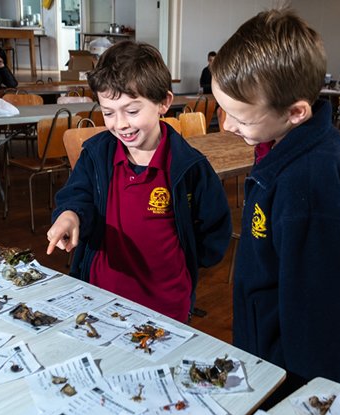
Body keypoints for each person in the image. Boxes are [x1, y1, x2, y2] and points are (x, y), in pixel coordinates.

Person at [210, 8, 340, 387]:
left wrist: (306, 393)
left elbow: (319, 307)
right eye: (223, 111)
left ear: (295, 112)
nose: (227, 126)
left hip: (291, 368)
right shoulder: (287, 141)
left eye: (241, 118)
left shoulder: (308, 184)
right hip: (267, 338)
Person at [46, 41, 232, 324]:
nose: (119, 124)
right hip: (100, 295)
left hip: (166, 305)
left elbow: (214, 227)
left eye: (132, 111)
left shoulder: (190, 166)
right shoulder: (96, 154)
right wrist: (70, 216)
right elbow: (76, 196)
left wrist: (185, 262)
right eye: (108, 112)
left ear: (163, 103)